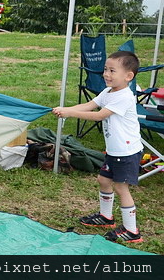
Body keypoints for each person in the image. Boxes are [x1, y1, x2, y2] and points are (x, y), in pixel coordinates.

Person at [53, 51, 144, 243]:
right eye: (105, 69)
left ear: (128, 76)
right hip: (114, 151)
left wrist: (69, 112)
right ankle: (106, 217)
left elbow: (99, 115)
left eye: (112, 71)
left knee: (121, 188)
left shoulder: (124, 96)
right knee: (103, 180)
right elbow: (90, 105)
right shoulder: (108, 92)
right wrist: (67, 111)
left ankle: (132, 230)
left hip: (126, 152)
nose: (106, 74)